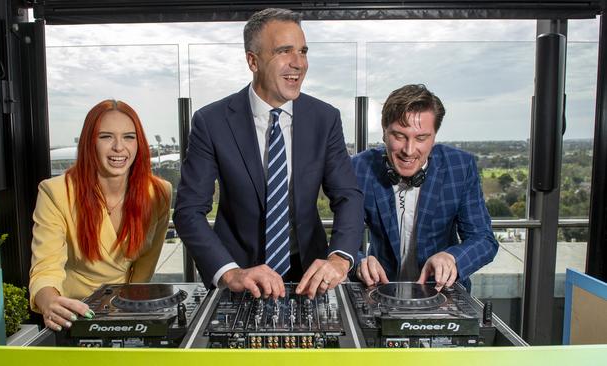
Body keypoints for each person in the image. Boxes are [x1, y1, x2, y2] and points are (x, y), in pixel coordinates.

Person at [173, 8, 363, 299]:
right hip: (240, 279)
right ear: (253, 60)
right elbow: (188, 211)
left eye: (302, 51)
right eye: (284, 51)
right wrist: (229, 272)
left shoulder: (325, 118)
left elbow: (347, 195)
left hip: (310, 281)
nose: (298, 63)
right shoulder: (211, 122)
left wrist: (339, 258)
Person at [29, 100, 172, 331]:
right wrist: (50, 303)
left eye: (129, 137)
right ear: (89, 143)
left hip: (127, 309)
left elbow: (145, 267)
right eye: (106, 137)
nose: (119, 147)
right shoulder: (54, 192)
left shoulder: (159, 192)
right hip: (73, 313)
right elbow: (45, 268)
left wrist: (132, 316)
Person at [351, 84, 498, 291]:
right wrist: (359, 262)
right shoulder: (359, 168)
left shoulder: (460, 166)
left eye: (421, 138)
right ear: (384, 132)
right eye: (399, 136)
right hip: (380, 291)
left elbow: (484, 240)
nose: (409, 151)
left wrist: (452, 258)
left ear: (434, 136)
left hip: (441, 293)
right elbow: (344, 239)